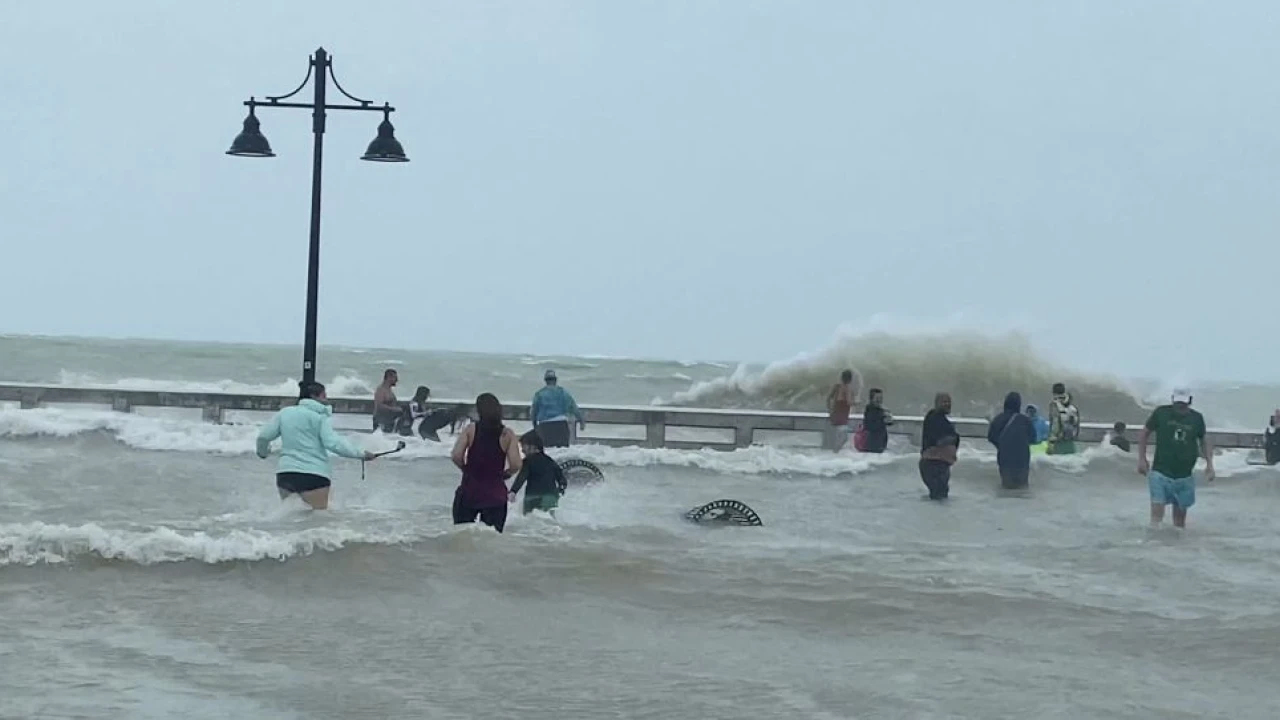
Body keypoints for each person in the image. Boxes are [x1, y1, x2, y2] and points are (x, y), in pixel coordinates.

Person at [255, 381, 376, 510]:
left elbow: (263, 436)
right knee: (318, 520)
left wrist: (263, 453)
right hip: (314, 475)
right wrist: (360, 454)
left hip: (286, 474)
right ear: (314, 396)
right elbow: (333, 443)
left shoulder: (284, 413)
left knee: (290, 517)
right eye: (324, 396)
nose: (327, 400)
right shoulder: (320, 417)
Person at [1138, 389, 1215, 529]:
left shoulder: (1197, 418)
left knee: (1179, 524)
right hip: (1160, 472)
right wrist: (1142, 459)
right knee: (1156, 520)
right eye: (1178, 402)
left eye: (1183, 403)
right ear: (1173, 399)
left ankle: (1177, 548)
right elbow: (1144, 433)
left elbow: (1204, 440)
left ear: (1190, 401)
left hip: (1184, 475)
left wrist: (1209, 464)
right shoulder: (1161, 413)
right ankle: (1153, 546)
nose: (1180, 406)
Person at [451, 393, 522, 532]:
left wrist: (465, 469)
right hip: (495, 495)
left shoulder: (471, 430)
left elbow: (456, 455)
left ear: (479, 411)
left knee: (461, 537)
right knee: (492, 540)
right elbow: (516, 464)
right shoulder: (507, 434)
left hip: (470, 491)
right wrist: (506, 474)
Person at [509, 430, 568, 516]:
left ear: (532, 446)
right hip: (550, 497)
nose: (522, 450)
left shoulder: (527, 461)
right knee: (549, 523)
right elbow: (561, 479)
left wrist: (513, 491)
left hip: (533, 497)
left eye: (523, 446)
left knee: (530, 523)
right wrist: (560, 489)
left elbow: (522, 477)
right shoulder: (550, 461)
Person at [986, 391, 1037, 489]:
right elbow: (1033, 439)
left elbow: (991, 437)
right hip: (1022, 459)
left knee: (1006, 486)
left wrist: (1001, 445)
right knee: (1022, 487)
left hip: (1005, 458)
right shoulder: (1025, 420)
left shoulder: (998, 419)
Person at [919, 392, 959, 500]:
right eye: (944, 402)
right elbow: (939, 440)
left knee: (939, 496)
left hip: (938, 463)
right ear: (936, 403)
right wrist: (953, 438)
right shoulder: (934, 418)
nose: (947, 404)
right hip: (934, 464)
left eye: (949, 402)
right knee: (939, 496)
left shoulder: (938, 419)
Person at [531, 369, 585, 447]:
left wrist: (534, 424)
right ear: (555, 380)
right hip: (561, 424)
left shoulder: (539, 394)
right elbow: (573, 407)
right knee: (562, 450)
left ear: (545, 381)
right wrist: (581, 421)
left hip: (545, 425)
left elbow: (534, 411)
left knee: (548, 450)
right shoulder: (563, 392)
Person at [826, 369, 857, 451]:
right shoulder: (847, 389)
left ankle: (835, 451)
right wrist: (857, 402)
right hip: (842, 417)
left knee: (837, 437)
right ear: (850, 379)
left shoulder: (837, 387)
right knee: (843, 438)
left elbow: (828, 399)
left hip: (834, 414)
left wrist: (829, 410)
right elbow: (849, 402)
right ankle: (836, 452)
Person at [1046, 383, 1080, 455]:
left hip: (1058, 442)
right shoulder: (1072, 407)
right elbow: (1076, 424)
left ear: (1054, 392)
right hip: (1070, 441)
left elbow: (1055, 423)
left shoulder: (1054, 405)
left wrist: (1051, 441)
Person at [859, 388, 894, 453]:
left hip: (880, 443)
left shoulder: (881, 409)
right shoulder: (870, 409)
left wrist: (888, 417)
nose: (880, 400)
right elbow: (869, 426)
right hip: (872, 443)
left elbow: (890, 423)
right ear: (872, 399)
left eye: (881, 398)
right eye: (877, 398)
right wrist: (883, 421)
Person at [372, 369, 404, 433]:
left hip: (389, 421)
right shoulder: (381, 390)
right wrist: (394, 409)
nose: (397, 380)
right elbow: (379, 405)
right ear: (389, 377)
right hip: (381, 421)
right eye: (395, 378)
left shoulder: (389, 390)